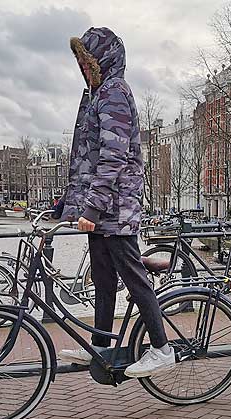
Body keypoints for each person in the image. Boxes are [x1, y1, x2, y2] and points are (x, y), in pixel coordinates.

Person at [54, 27, 174, 378]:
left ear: (102, 60)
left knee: (134, 279)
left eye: (86, 61)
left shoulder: (114, 93)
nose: (83, 68)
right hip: (103, 208)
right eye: (80, 62)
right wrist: (70, 203)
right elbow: (87, 158)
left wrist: (92, 206)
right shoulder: (96, 95)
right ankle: (102, 345)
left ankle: (162, 348)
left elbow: (113, 155)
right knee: (103, 281)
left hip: (116, 208)